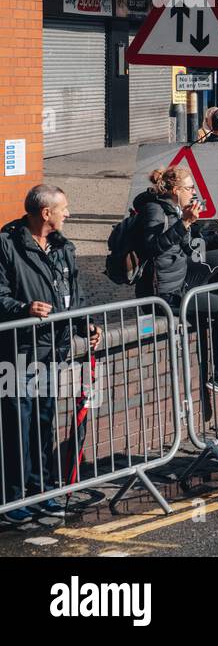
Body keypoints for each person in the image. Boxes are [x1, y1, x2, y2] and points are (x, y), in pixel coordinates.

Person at [0, 185, 101, 523]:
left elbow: (74, 294)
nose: (68, 213)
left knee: (44, 422)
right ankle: (14, 498)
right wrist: (22, 308)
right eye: (64, 208)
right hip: (18, 351)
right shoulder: (7, 245)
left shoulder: (63, 247)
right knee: (18, 425)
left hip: (52, 350)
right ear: (46, 213)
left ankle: (42, 491)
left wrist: (86, 326)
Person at [130, 167, 218, 401]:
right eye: (189, 188)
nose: (194, 192)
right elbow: (152, 248)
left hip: (178, 280)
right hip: (162, 293)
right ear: (175, 190)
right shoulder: (154, 211)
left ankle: (215, 295)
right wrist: (183, 223)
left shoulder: (172, 210)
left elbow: (190, 243)